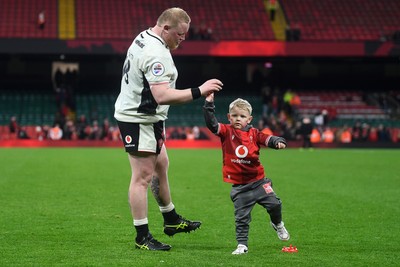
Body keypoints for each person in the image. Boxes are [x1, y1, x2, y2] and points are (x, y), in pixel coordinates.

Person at [114, 7, 223, 251]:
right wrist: (199, 90)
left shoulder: (145, 36)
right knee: (141, 177)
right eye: (179, 35)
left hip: (144, 116)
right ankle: (142, 237)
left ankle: (171, 219)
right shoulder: (157, 54)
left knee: (161, 164)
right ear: (165, 28)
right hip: (139, 118)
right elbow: (161, 95)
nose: (182, 40)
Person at [203, 94, 290, 255]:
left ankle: (277, 223)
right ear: (229, 117)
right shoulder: (226, 132)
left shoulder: (254, 133)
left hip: (259, 182)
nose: (238, 119)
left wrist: (279, 142)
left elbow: (268, 138)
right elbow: (211, 124)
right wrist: (208, 104)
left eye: (242, 116)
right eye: (234, 116)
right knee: (241, 218)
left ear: (249, 119)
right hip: (240, 187)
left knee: (275, 204)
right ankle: (242, 245)